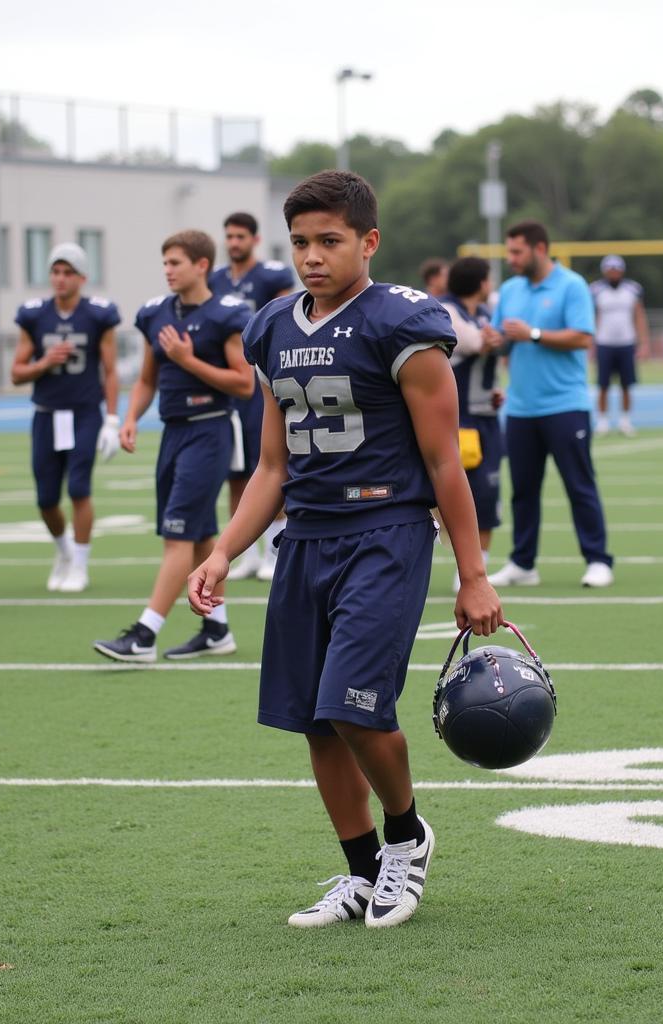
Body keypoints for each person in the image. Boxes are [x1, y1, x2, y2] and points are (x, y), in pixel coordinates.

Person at [186, 171, 502, 928]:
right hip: (306, 538)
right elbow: (271, 466)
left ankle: (407, 836)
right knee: (315, 722)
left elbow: (442, 462)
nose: (312, 256)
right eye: (300, 242)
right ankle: (360, 871)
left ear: (369, 241)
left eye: (330, 240)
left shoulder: (402, 322)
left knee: (356, 708)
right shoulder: (271, 327)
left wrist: (475, 573)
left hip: (385, 533)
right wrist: (224, 550)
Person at [93, 230, 253, 661]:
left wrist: (190, 361)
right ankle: (217, 629)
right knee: (199, 535)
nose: (167, 270)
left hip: (210, 429)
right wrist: (129, 419)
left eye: (175, 262)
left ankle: (145, 634)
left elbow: (244, 383)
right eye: (164, 262)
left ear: (201, 265)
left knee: (177, 535)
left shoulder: (226, 314)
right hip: (173, 432)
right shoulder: (156, 313)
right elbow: (147, 377)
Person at [486, 220, 614, 589]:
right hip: (521, 407)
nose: (510, 259)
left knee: (579, 484)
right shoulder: (510, 289)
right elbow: (503, 342)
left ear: (539, 249)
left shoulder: (571, 285)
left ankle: (598, 559)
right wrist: (491, 339)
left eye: (516, 252)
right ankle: (523, 563)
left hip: (565, 405)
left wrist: (534, 334)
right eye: (509, 251)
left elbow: (582, 338)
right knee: (523, 490)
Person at [11, 242, 121, 593]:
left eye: (68, 272)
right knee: (45, 499)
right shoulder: (33, 315)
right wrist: (44, 363)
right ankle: (65, 552)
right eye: (56, 272)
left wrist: (112, 419)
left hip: (84, 414)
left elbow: (111, 370)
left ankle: (80, 565)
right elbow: (16, 372)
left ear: (82, 277)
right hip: (45, 414)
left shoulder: (98, 315)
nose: (60, 279)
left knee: (78, 488)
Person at [208, 212, 294, 582]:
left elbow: (286, 319)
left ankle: (275, 548)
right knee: (236, 475)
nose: (233, 243)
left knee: (271, 466)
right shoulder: (215, 279)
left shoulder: (271, 275)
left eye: (240, 236)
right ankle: (249, 553)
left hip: (263, 383)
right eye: (229, 236)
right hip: (230, 392)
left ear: (254, 240)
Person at [439, 256, 504, 591]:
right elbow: (476, 342)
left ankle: (478, 568)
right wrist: (496, 338)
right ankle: (467, 568)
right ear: (482, 283)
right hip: (460, 421)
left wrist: (491, 392)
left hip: (484, 416)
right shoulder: (447, 312)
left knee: (487, 497)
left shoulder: (482, 314)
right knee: (456, 495)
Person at [590, 254, 650, 437]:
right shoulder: (596, 290)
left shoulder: (632, 289)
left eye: (616, 269)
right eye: (610, 269)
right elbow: (593, 317)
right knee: (603, 385)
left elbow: (639, 316)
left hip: (626, 343)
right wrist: (591, 343)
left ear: (622, 270)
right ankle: (602, 421)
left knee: (626, 385)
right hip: (604, 343)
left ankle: (625, 421)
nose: (613, 272)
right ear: (604, 270)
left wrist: (643, 342)